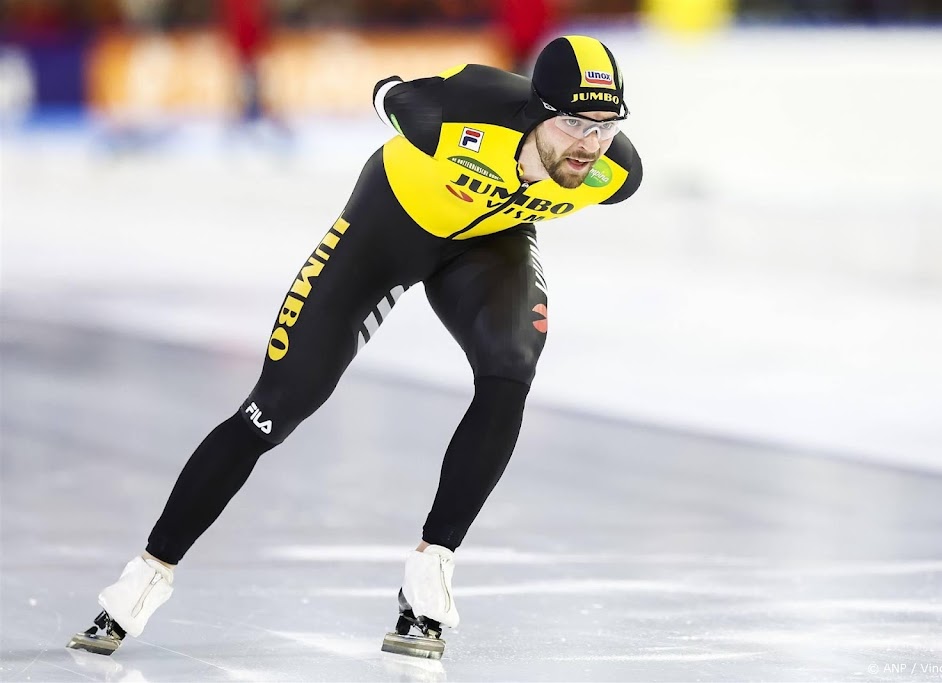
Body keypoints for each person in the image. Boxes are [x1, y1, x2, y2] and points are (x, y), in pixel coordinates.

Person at [67, 34, 642, 660]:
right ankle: (146, 576)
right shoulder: (456, 115)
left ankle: (430, 573)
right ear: (537, 111)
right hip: (386, 228)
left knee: (509, 373)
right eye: (575, 124)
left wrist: (587, 140)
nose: (590, 144)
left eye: (606, 126)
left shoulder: (615, 172)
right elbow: (386, 91)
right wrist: (396, 96)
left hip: (489, 243)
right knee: (274, 409)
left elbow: (596, 157)